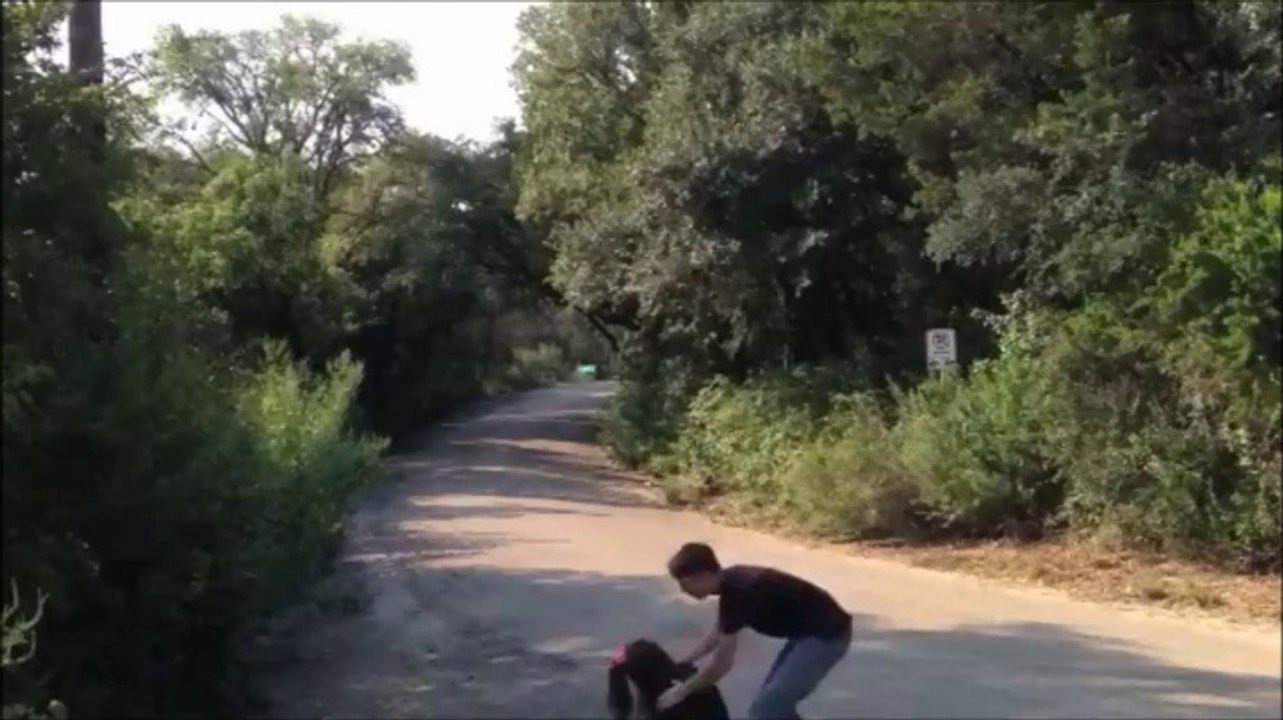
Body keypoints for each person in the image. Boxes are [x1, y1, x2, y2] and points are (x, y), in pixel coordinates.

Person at [657, 542, 852, 719]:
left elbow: (720, 666)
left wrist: (682, 691)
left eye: (684, 584)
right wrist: (686, 661)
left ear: (704, 576)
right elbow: (720, 631)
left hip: (826, 637)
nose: (683, 591)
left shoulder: (741, 590)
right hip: (805, 635)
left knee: (768, 709)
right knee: (769, 708)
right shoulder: (731, 584)